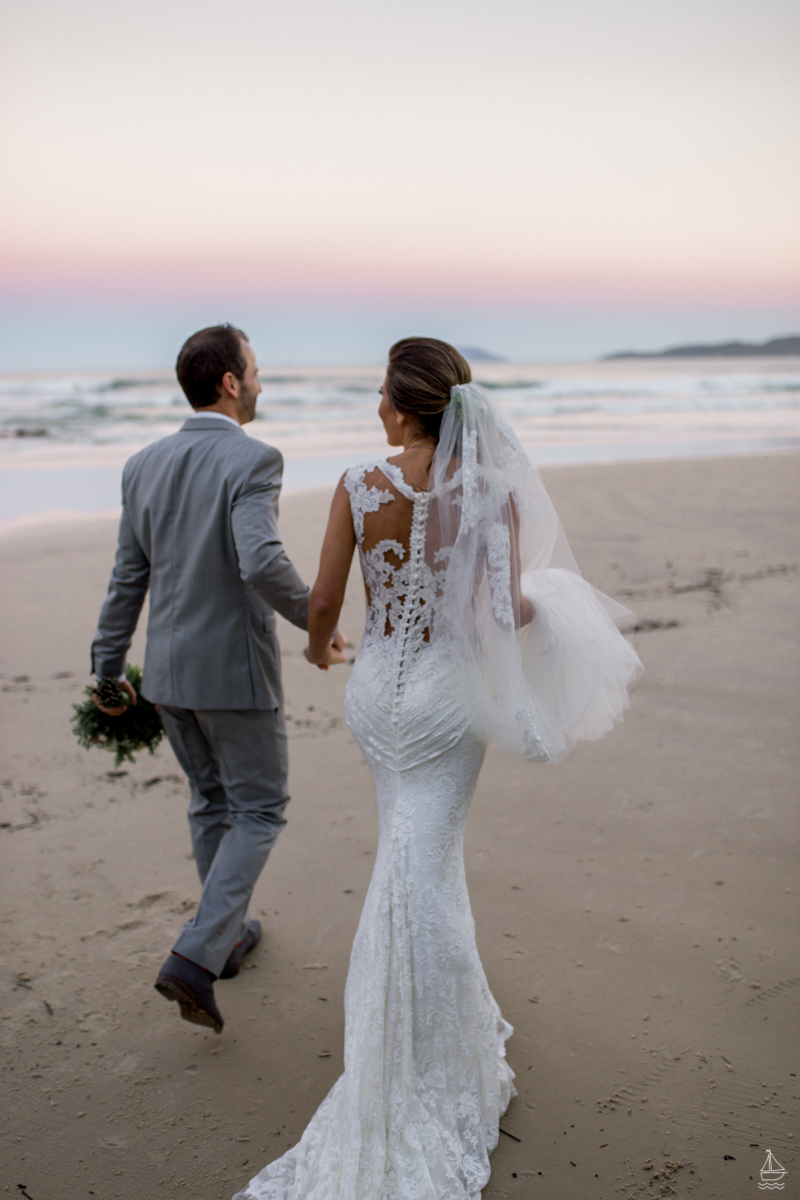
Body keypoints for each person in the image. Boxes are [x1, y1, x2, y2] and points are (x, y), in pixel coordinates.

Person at [234, 338, 642, 1200]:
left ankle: (439, 1025)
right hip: (444, 703)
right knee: (420, 861)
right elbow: (504, 609)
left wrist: (318, 652)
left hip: (377, 693)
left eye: (381, 387)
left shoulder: (357, 484)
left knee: (411, 853)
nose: (375, 400)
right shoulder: (490, 493)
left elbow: (321, 602)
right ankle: (410, 1056)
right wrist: (555, 603)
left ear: (400, 402)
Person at [90, 324, 347, 1035]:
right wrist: (315, 625)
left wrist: (107, 671)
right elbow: (261, 562)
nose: (261, 384)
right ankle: (197, 956)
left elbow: (126, 579)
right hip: (233, 672)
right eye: (256, 372)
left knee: (210, 802)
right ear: (231, 383)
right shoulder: (255, 459)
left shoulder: (142, 463)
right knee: (260, 809)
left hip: (168, 674)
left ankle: (226, 938)